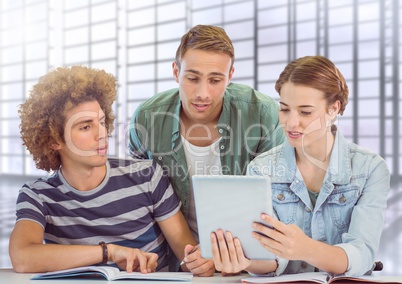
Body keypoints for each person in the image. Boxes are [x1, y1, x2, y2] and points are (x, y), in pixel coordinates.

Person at [8, 65, 212, 276]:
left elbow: (187, 255)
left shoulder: (147, 176)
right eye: (86, 127)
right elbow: (22, 258)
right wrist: (108, 253)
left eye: (102, 122)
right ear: (53, 140)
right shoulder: (37, 196)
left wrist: (199, 262)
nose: (103, 134)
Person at [210, 55, 390, 277]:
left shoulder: (370, 168)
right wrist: (245, 262)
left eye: (305, 112)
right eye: (284, 109)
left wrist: (305, 248)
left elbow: (362, 254)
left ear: (333, 109)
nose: (291, 123)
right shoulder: (262, 169)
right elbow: (270, 257)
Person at [129, 25, 284, 269]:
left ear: (230, 75)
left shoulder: (263, 114)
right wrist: (191, 256)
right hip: (171, 262)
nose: (203, 93)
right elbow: (139, 200)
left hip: (247, 258)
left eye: (215, 80)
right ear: (175, 71)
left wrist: (225, 256)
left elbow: (279, 201)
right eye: (192, 78)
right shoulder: (146, 118)